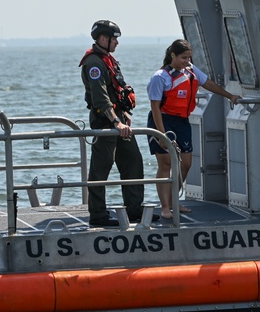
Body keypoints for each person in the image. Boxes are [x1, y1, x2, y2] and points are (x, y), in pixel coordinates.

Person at [146, 39, 241, 219]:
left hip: (181, 122)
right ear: (172, 55)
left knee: (186, 163)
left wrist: (229, 96)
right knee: (165, 164)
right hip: (162, 121)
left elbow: (208, 84)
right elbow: (155, 107)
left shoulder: (191, 71)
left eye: (189, 57)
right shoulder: (160, 77)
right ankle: (165, 207)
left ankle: (175, 200)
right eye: (183, 58)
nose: (187, 61)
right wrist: (161, 134)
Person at [80, 19, 145, 227]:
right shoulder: (94, 64)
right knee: (101, 168)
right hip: (106, 123)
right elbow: (100, 98)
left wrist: (124, 113)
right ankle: (98, 214)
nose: (117, 42)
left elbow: (117, 90)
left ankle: (134, 209)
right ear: (102, 39)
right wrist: (116, 122)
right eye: (114, 38)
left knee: (133, 161)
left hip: (120, 120)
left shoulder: (109, 60)